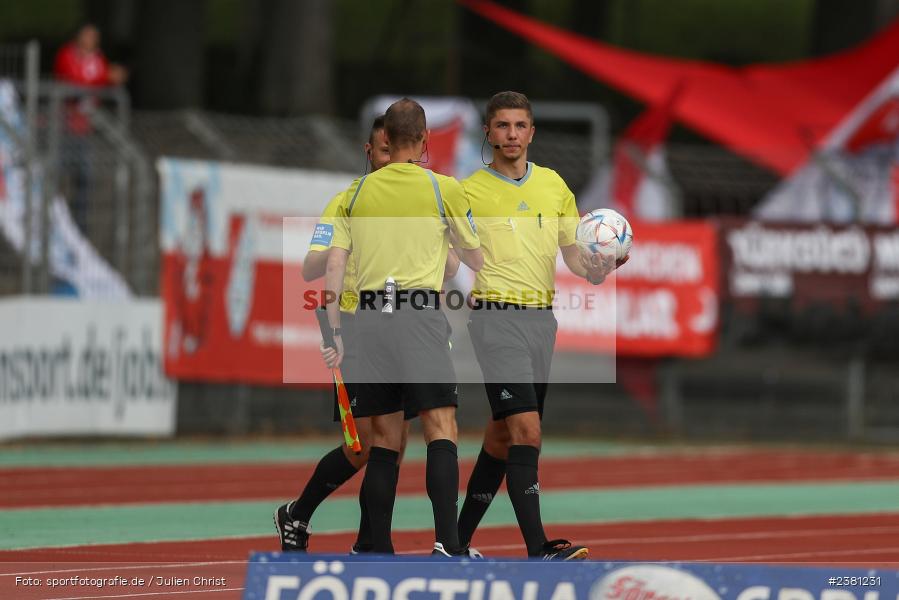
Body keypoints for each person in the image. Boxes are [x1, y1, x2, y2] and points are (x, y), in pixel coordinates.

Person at [274, 116, 462, 554]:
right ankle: (297, 513)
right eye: (381, 151)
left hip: (405, 323)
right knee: (363, 445)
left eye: (392, 150)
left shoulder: (419, 197)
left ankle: (371, 542)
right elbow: (310, 265)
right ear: (370, 151)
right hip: (360, 324)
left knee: (394, 440)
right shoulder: (348, 200)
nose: (389, 159)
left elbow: (450, 264)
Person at [457, 91, 626, 560]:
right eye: (502, 126)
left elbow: (578, 260)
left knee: (502, 436)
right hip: (494, 318)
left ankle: (453, 543)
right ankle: (539, 549)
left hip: (540, 322)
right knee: (528, 431)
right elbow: (450, 250)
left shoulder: (554, 186)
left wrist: (604, 264)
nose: (511, 134)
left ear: (532, 133)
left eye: (519, 126)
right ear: (488, 133)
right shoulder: (468, 191)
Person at [324, 98, 483, 556]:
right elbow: (472, 257)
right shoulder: (441, 188)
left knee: (385, 439)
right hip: (416, 311)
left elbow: (334, 261)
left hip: (370, 317)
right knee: (440, 424)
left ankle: (374, 545)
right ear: (426, 142)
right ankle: (449, 543)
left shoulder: (356, 193)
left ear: (385, 141)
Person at [53, 24, 128, 232]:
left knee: (84, 178)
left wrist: (110, 77)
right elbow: (74, 80)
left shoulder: (98, 60)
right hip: (64, 126)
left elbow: (103, 81)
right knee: (57, 174)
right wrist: (105, 77)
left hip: (83, 128)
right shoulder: (67, 55)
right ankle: (55, 220)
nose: (90, 41)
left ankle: (79, 227)